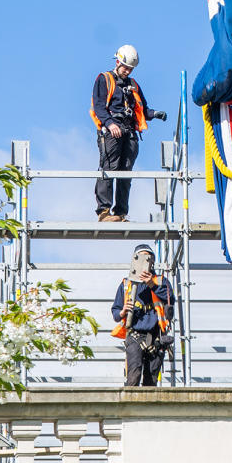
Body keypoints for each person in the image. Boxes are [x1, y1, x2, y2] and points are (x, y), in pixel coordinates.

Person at [90, 45, 164, 222]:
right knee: (109, 168)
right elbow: (99, 107)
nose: (127, 71)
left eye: (130, 69)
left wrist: (155, 114)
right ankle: (104, 211)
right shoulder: (104, 79)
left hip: (129, 131)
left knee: (125, 173)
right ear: (118, 62)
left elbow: (143, 109)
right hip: (112, 131)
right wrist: (109, 123)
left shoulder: (133, 85)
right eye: (125, 67)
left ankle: (120, 212)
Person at [110, 243, 175, 387]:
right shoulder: (126, 284)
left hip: (156, 337)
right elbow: (115, 312)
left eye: (148, 257)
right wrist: (123, 311)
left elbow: (170, 299)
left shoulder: (161, 281)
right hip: (135, 335)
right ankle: (128, 408)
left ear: (152, 261)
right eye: (141, 257)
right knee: (134, 375)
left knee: (150, 380)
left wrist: (152, 284)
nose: (145, 260)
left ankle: (149, 409)